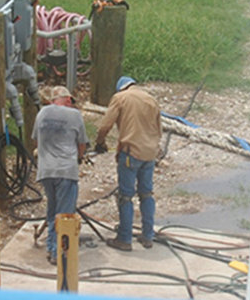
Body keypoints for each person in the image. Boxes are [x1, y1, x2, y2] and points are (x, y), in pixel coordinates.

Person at [94, 76, 162, 251]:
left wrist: (100, 142)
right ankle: (148, 236)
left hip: (130, 153)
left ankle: (124, 238)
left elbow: (105, 125)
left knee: (126, 196)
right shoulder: (151, 99)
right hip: (149, 154)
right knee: (146, 194)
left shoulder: (120, 98)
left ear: (120, 88)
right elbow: (159, 129)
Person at [34, 86, 88, 265]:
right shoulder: (74, 115)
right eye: (70, 100)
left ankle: (51, 247)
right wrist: (79, 158)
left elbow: (35, 139)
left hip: (46, 171)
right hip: (66, 171)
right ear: (67, 99)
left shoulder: (41, 114)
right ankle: (59, 253)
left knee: (52, 210)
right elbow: (82, 144)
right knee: (64, 214)